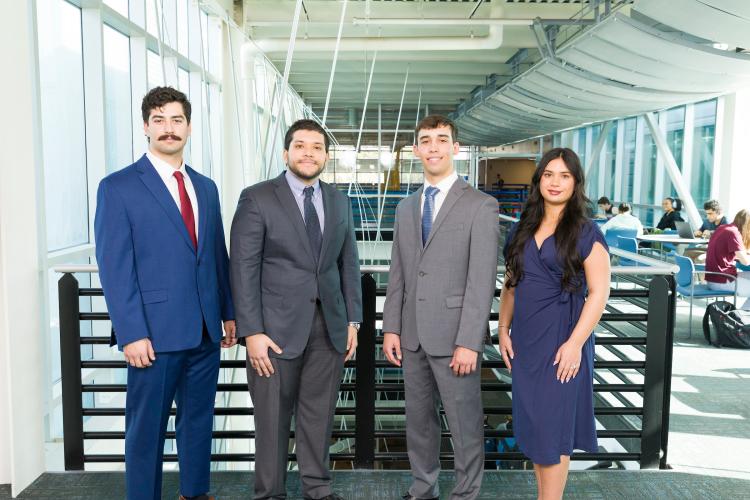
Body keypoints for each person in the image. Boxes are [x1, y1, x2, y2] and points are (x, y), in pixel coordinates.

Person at [94, 86, 236, 500]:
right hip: (153, 335)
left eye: (176, 120)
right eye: (159, 120)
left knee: (198, 421)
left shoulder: (205, 188)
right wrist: (131, 332)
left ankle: (195, 493)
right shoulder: (118, 187)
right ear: (145, 127)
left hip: (206, 331)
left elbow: (215, 256)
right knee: (146, 429)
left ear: (188, 127)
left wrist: (227, 313)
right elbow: (115, 267)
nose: (168, 128)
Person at [230, 119, 362, 500]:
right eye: (300, 146)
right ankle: (270, 492)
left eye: (317, 147)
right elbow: (242, 267)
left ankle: (317, 487)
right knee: (271, 419)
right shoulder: (257, 198)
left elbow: (348, 264)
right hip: (273, 331)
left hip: (329, 329)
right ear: (286, 153)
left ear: (325, 155)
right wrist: (251, 332)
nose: (309, 153)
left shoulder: (339, 200)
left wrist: (353, 319)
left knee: (318, 416)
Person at [382, 115, 499, 500]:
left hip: (455, 338)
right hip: (412, 335)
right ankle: (423, 488)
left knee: (464, 423)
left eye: (442, 140)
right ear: (416, 150)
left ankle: (466, 492)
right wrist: (391, 328)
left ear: (455, 148)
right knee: (419, 421)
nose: (434, 147)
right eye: (426, 141)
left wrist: (470, 341)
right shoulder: (405, 208)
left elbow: (481, 281)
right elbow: (397, 273)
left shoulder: (481, 205)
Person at [498, 148, 610, 500]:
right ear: (539, 180)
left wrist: (575, 343)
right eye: (548, 174)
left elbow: (599, 293)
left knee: (552, 429)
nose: (555, 182)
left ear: (576, 182)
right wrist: (502, 329)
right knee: (535, 427)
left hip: (564, 340)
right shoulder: (521, 228)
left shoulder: (585, 231)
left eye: (564, 175)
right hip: (527, 342)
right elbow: (511, 284)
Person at [705, 209, 750, 311]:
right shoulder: (733, 233)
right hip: (722, 280)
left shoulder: (724, 228)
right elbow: (746, 262)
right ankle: (741, 317)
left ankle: (742, 317)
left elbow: (730, 252)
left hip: (714, 277)